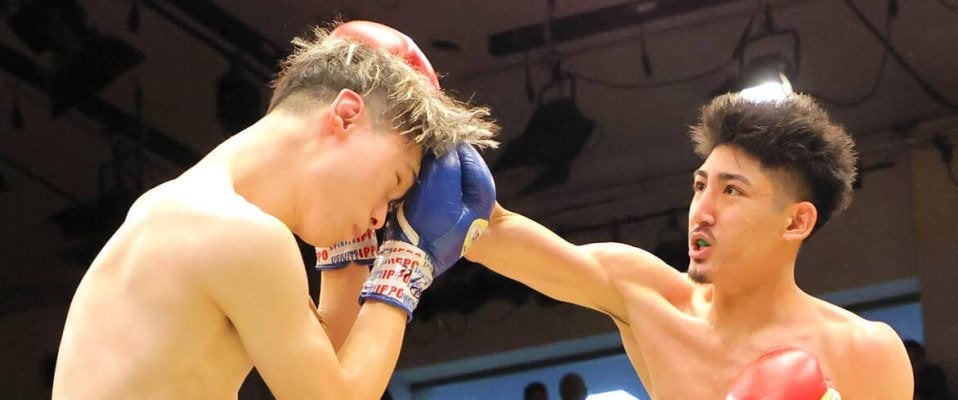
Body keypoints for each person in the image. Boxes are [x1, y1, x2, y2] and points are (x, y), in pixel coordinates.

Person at [52, 20, 498, 399]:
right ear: (346, 114)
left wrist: (349, 248)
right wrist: (405, 265)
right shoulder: (237, 234)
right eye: (395, 181)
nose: (381, 218)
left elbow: (328, 372)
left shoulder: (185, 211)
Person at [466, 93, 914, 399]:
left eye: (731, 191)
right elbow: (484, 228)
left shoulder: (862, 351)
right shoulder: (649, 296)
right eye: (700, 186)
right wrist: (429, 123)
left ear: (796, 221)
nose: (702, 210)